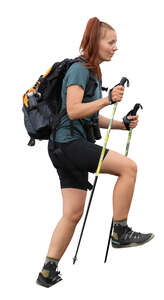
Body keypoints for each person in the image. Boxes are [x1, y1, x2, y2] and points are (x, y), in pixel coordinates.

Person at [36, 17, 154, 288]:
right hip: (68, 144)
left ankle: (47, 271)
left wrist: (122, 124)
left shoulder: (91, 71)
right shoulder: (79, 69)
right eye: (110, 42)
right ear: (95, 42)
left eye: (116, 43)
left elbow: (86, 118)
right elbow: (75, 109)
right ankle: (120, 230)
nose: (115, 47)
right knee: (129, 167)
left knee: (73, 213)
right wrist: (107, 98)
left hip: (61, 147)